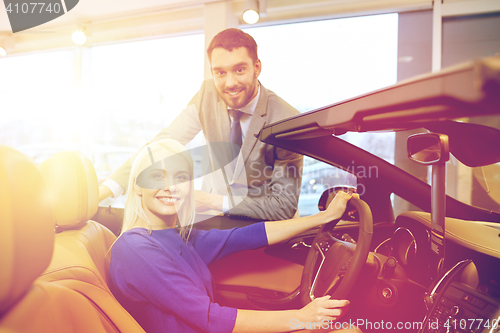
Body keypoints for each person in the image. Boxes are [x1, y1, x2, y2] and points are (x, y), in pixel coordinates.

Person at [108, 139, 361, 333]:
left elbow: (248, 236)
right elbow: (209, 318)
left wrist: (322, 218)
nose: (169, 185)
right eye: (156, 176)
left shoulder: (175, 237)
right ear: (137, 187)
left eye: (180, 176)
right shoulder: (135, 249)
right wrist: (302, 318)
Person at [99, 28, 303, 221]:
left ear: (257, 67)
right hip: (214, 223)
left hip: (265, 228)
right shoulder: (207, 94)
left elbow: (283, 205)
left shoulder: (287, 120)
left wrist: (213, 201)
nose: (230, 83)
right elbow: (162, 145)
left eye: (239, 70)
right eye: (220, 73)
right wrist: (108, 188)